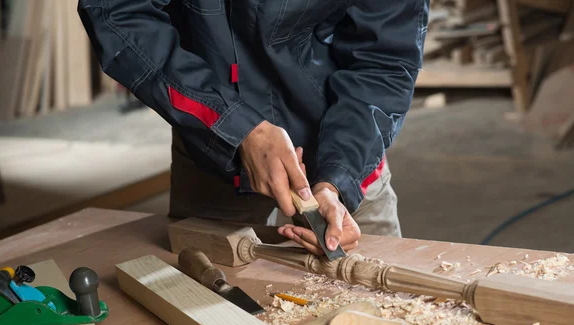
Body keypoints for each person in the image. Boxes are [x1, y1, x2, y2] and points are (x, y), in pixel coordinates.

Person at [77, 0, 429, 255]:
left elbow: (384, 61)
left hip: (345, 149)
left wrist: (339, 179)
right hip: (211, 143)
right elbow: (117, 12)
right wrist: (236, 128)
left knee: (379, 313)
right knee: (208, 321)